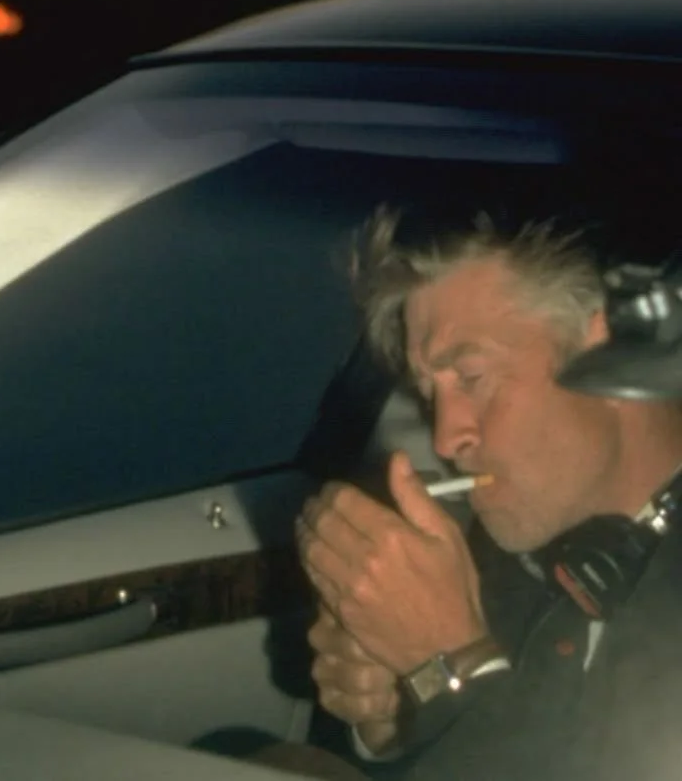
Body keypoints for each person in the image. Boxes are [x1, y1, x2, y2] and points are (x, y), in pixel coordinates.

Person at [290, 206, 682, 781]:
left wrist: (453, 664)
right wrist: (391, 718)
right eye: (429, 395)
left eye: (471, 378)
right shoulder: (511, 550)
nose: (447, 437)